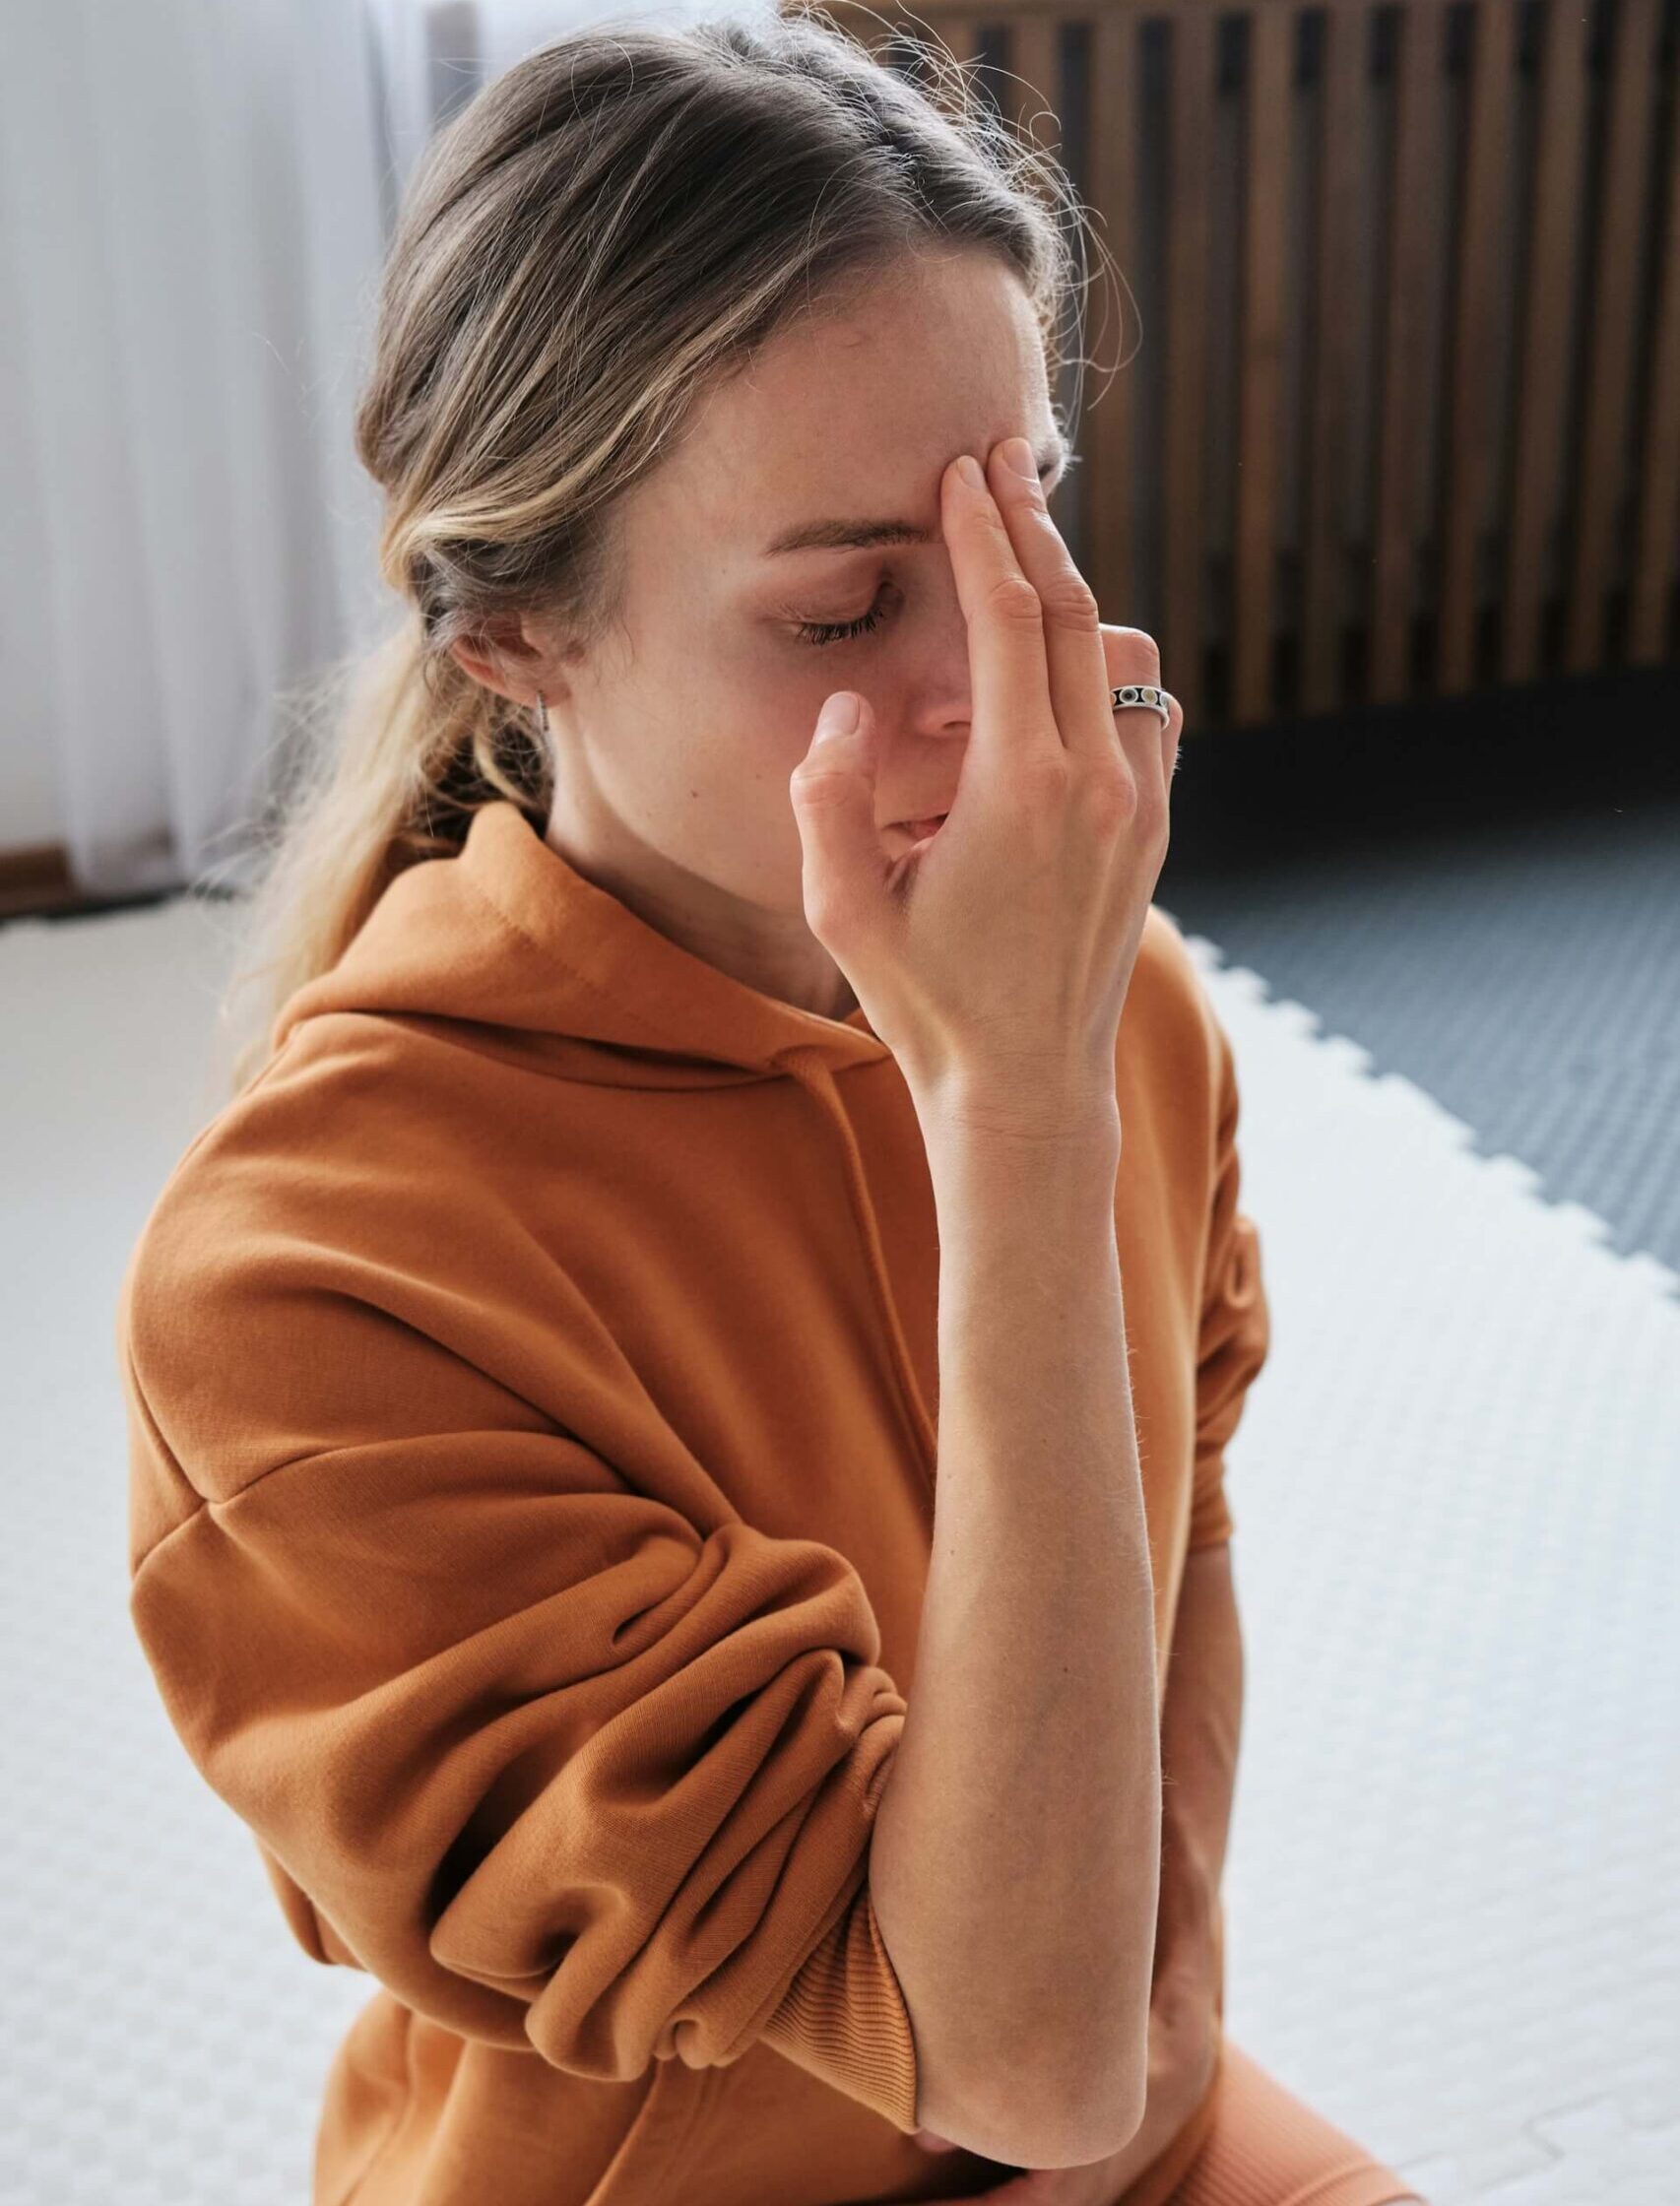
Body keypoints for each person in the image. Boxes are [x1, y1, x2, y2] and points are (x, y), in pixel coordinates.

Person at [116, 12, 1425, 2203]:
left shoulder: (1120, 1005)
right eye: (840, 605)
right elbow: (992, 2055)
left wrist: (1166, 2004)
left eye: (1024, 530)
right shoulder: (313, 1278)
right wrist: (1013, 1118)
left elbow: (1177, 1518)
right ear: (521, 634)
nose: (1005, 678)